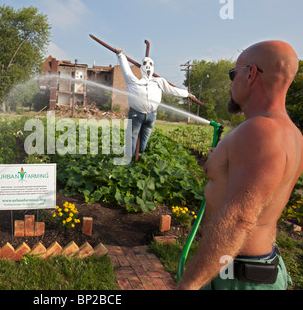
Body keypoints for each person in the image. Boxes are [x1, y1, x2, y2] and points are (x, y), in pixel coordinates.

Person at [177, 40, 303, 290]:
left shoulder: (261, 131)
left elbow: (239, 220)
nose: (231, 82)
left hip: (236, 276)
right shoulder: (292, 134)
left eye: (233, 74)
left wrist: (188, 285)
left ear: (251, 73)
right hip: (253, 270)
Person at [115, 47, 195, 158]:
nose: (148, 66)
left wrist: (187, 94)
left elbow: (173, 90)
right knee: (132, 138)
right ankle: (129, 159)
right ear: (141, 67)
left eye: (151, 64)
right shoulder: (133, 81)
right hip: (136, 115)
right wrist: (121, 56)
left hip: (152, 115)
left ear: (153, 67)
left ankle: (139, 156)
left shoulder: (159, 81)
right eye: (145, 64)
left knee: (143, 141)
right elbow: (126, 70)